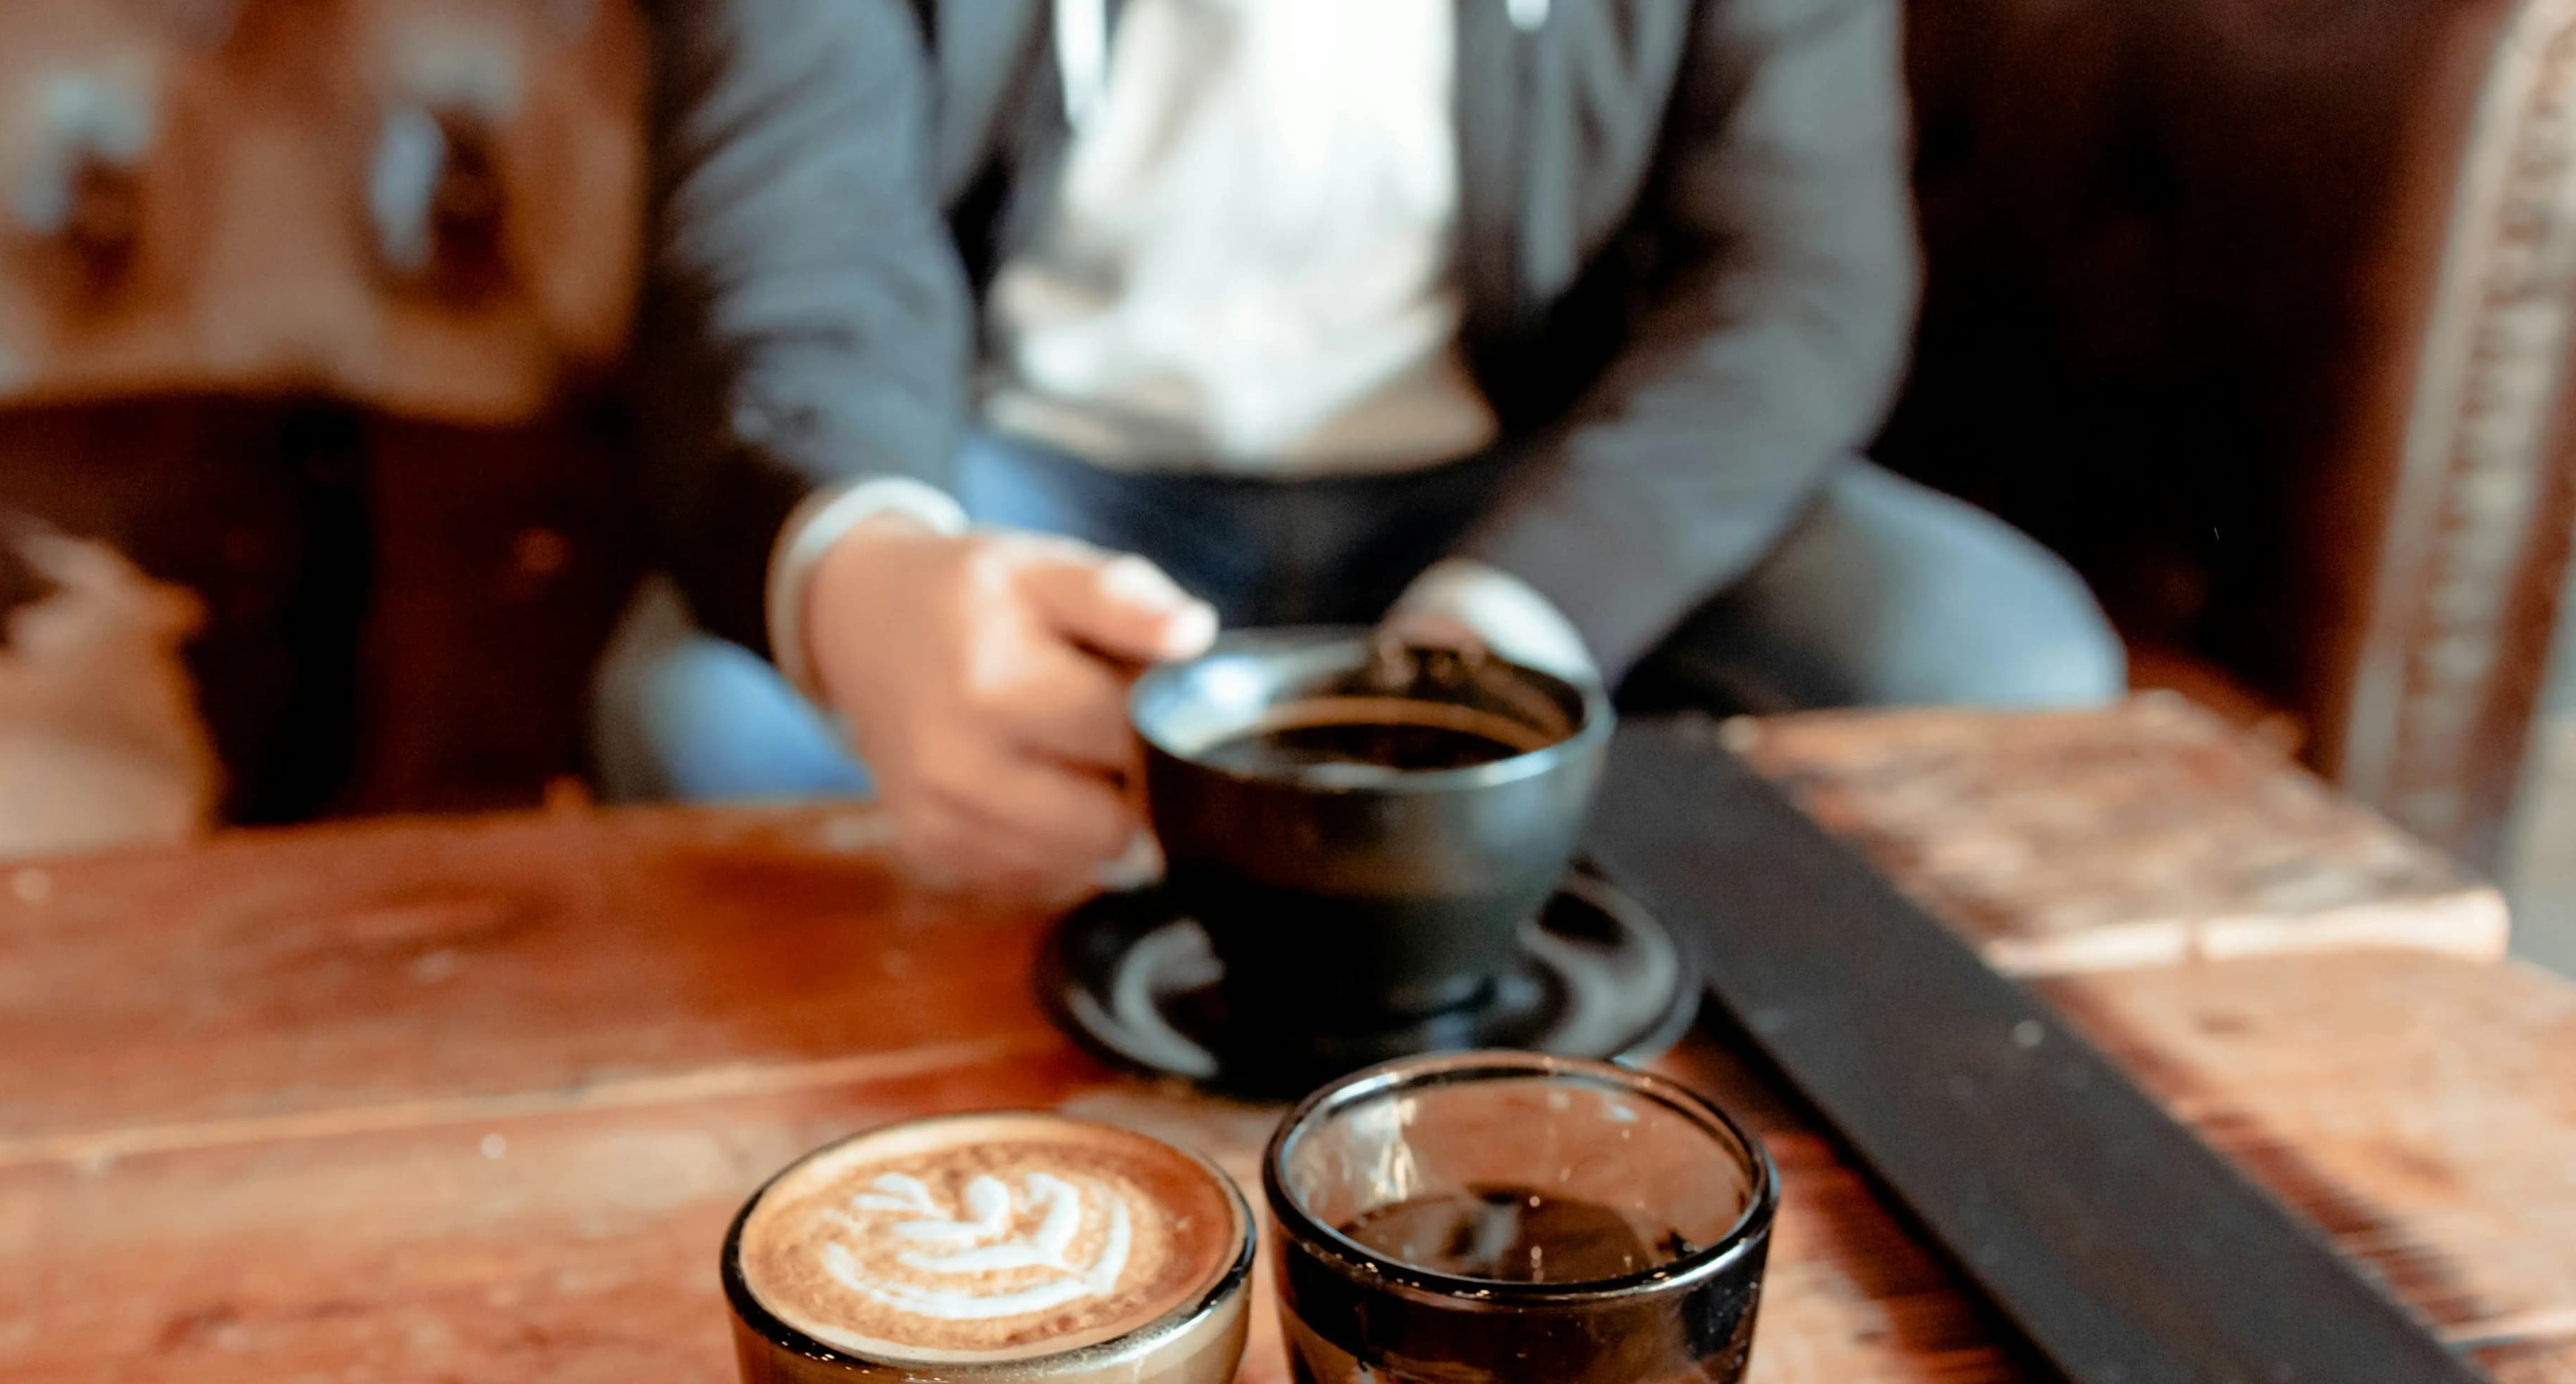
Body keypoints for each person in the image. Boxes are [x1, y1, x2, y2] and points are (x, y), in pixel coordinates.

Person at [608, 0, 2124, 893]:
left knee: (2004, 667)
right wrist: (865, 576)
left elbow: (1804, 277)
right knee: (701, 719)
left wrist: (1516, 620)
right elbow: (780, 236)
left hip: (1527, 480)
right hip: (1031, 469)